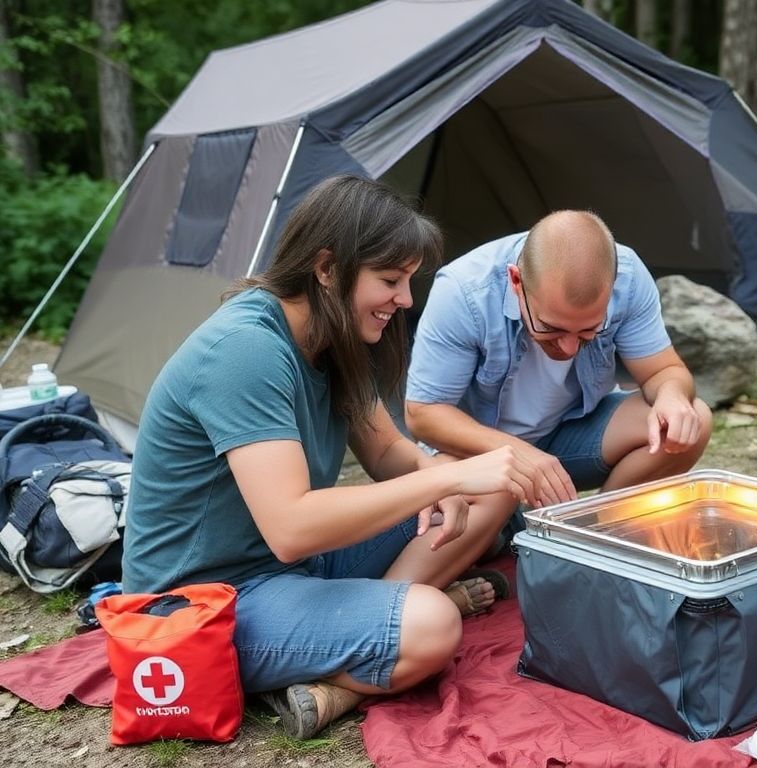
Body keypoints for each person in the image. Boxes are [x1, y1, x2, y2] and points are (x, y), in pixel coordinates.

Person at [121, 175, 544, 740]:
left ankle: (366, 632)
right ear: (326, 268)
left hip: (296, 571)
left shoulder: (332, 336)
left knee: (487, 492)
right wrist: (440, 481)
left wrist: (442, 474)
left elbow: (389, 451)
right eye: (390, 280)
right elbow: (292, 527)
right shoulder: (246, 350)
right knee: (434, 625)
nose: (405, 300)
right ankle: (375, 644)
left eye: (409, 281)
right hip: (202, 606)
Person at [404, 210, 713, 535]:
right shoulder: (464, 292)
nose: (567, 347)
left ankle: (596, 532)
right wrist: (517, 454)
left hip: (568, 433)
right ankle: (508, 531)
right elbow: (423, 414)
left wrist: (672, 396)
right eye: (551, 328)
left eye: (588, 330)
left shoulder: (628, 276)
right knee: (446, 517)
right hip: (478, 453)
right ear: (516, 281)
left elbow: (663, 371)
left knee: (692, 419)